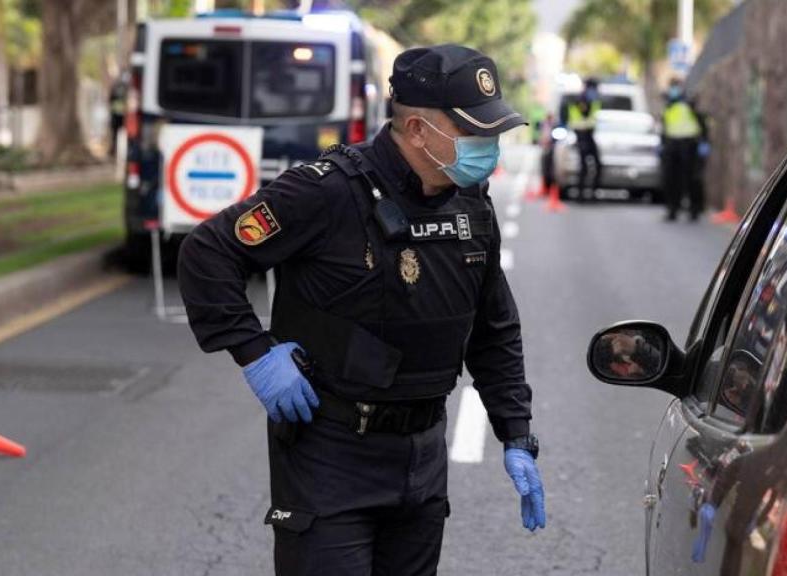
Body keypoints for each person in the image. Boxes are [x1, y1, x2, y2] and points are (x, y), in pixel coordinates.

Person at [177, 44, 545, 576]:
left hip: (422, 456)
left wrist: (516, 434)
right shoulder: (325, 192)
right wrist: (253, 352)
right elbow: (209, 251)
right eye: (474, 133)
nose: (488, 146)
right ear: (418, 129)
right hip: (331, 454)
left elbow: (494, 328)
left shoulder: (471, 203)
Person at [660, 80, 704, 221]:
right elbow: (665, 126)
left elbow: (701, 124)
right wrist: (662, 144)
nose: (673, 91)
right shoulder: (668, 106)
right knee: (671, 179)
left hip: (688, 144)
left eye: (675, 88)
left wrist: (704, 142)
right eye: (671, 87)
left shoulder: (688, 104)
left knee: (691, 178)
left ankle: (694, 209)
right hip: (671, 145)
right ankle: (672, 209)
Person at [567, 78, 602, 201]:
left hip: (589, 135)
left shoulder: (594, 101)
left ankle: (593, 193)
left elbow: (594, 119)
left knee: (598, 164)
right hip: (581, 136)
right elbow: (579, 119)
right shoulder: (579, 101)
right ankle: (581, 195)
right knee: (584, 166)